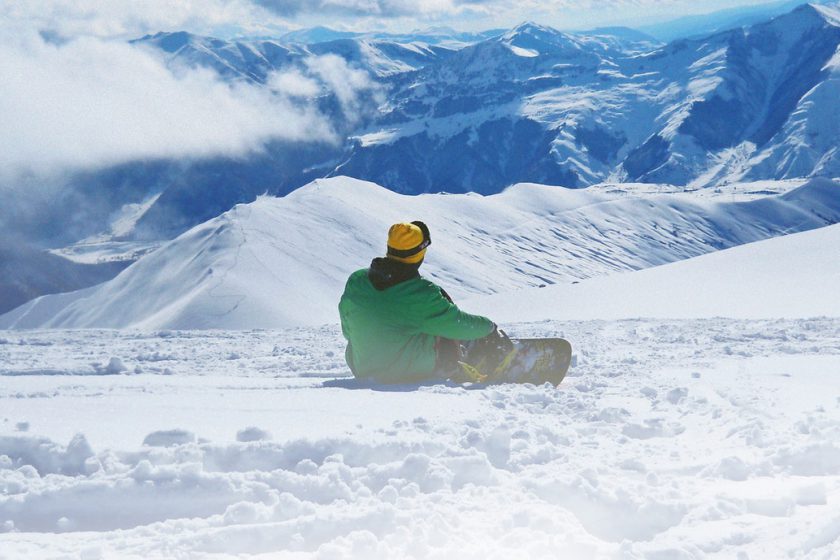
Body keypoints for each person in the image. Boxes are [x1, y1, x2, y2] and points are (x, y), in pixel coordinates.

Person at [339, 221, 509, 384]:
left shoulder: (357, 280)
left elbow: (348, 331)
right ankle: (461, 359)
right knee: (443, 328)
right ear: (419, 254)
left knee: (417, 323)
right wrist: (489, 328)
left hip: (361, 367)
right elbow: (456, 322)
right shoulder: (422, 294)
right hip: (404, 373)